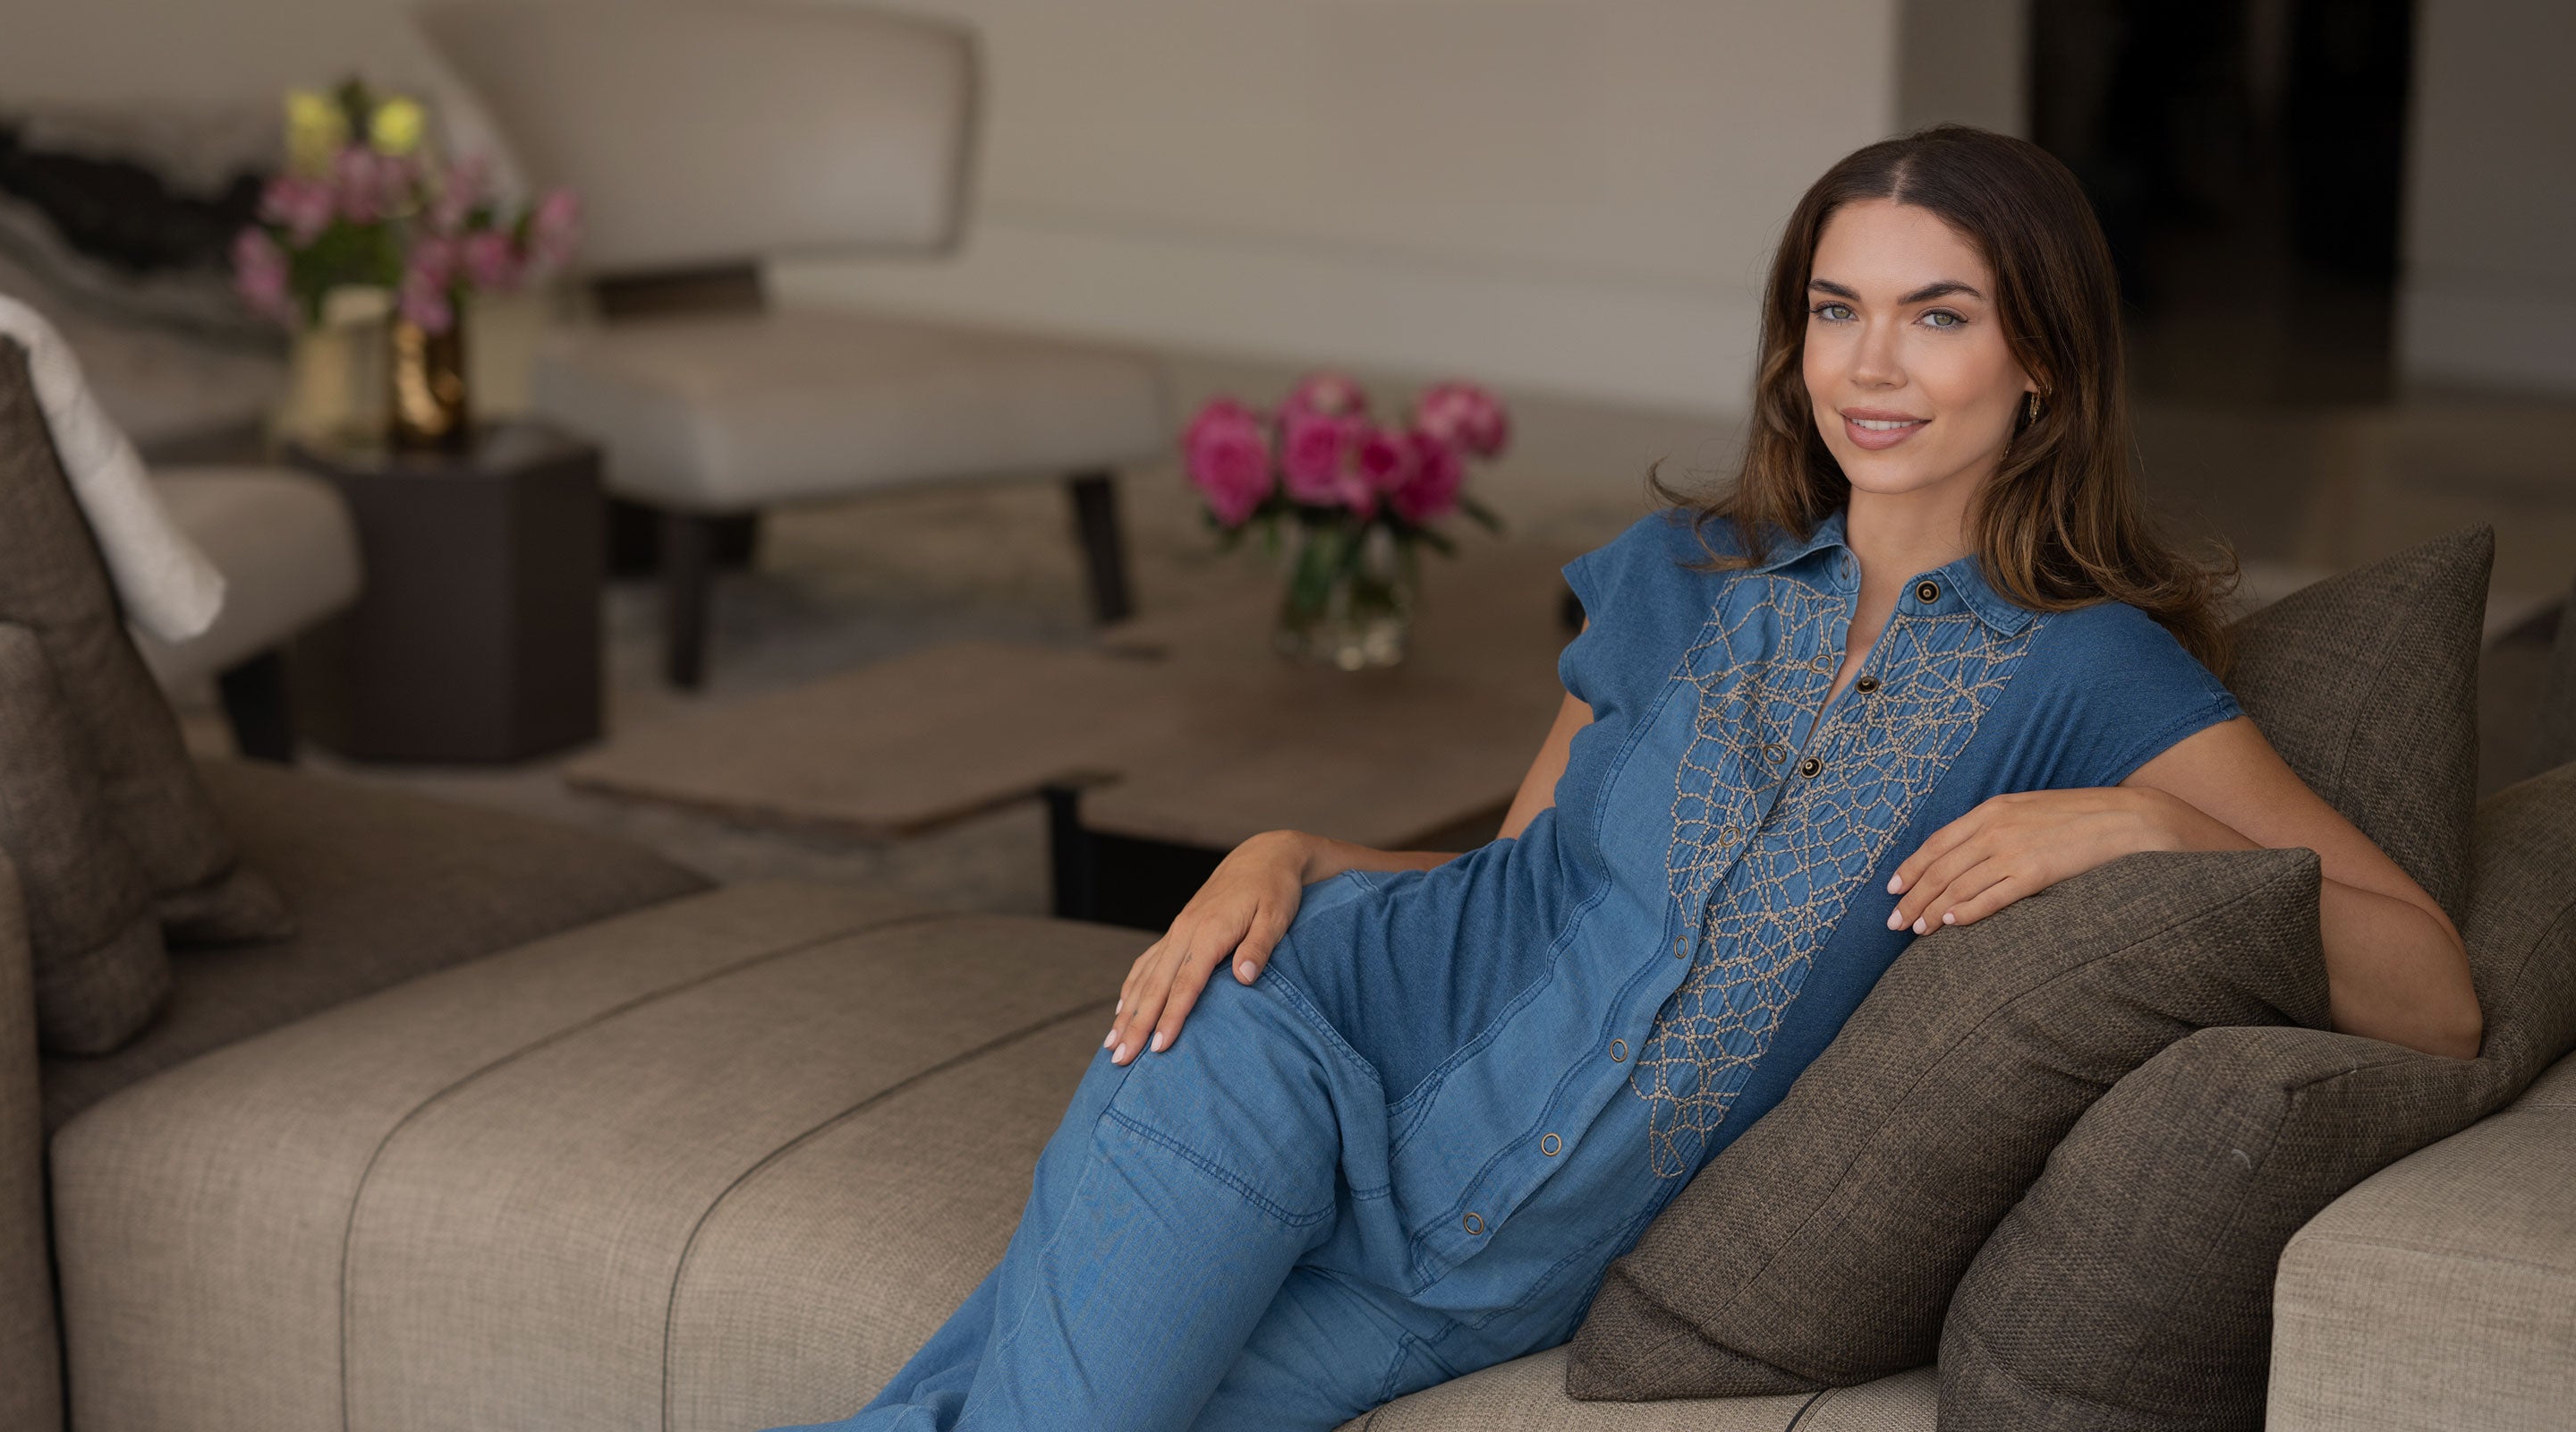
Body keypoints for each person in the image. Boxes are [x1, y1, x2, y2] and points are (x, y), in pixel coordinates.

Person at [778, 124, 2481, 1432]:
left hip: (1483, 1279)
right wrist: (1290, 852)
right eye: (1836, 311)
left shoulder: (2087, 675)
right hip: (1286, 1047)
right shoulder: (1683, 575)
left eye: (1938, 316)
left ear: (2043, 360)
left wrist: (2151, 828)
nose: (1871, 367)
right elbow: (1518, 880)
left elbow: (2433, 997)